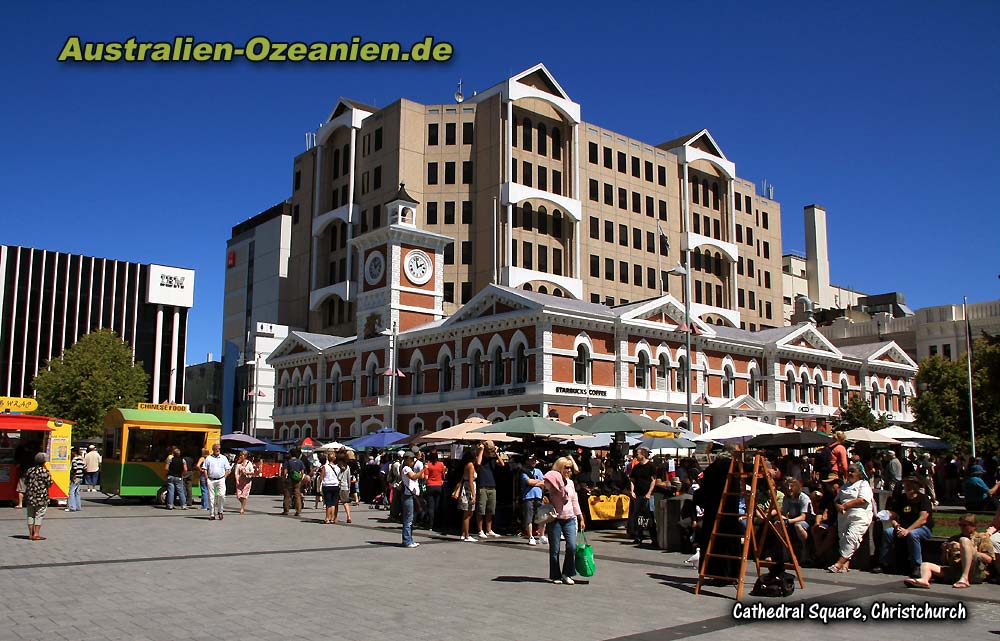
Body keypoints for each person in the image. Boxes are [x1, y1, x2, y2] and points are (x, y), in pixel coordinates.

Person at [905, 513, 995, 589]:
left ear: (973, 526)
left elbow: (989, 559)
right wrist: (945, 550)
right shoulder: (954, 538)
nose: (962, 528)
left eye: (965, 525)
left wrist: (966, 549)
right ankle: (924, 580)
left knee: (964, 540)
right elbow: (944, 561)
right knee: (925, 565)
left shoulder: (981, 538)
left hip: (974, 571)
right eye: (960, 525)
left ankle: (965, 578)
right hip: (955, 570)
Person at [874, 477, 934, 577]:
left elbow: (923, 518)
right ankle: (884, 563)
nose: (907, 487)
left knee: (913, 535)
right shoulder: (901, 499)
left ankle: (916, 566)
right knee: (888, 532)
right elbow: (894, 515)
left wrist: (908, 530)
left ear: (917, 486)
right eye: (906, 484)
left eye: (911, 484)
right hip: (903, 528)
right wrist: (896, 525)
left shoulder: (923, 499)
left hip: (922, 529)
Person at [543, 456, 585, 584]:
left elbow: (574, 501)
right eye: (566, 467)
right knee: (554, 549)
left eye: (570, 468)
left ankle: (567, 573)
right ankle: (555, 575)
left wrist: (580, 517)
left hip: (570, 518)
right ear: (560, 467)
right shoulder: (552, 481)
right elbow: (544, 483)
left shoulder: (571, 483)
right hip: (555, 518)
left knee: (571, 546)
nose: (569, 470)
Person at [827, 464, 874, 573]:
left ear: (859, 474)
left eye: (853, 471)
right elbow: (837, 500)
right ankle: (846, 563)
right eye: (849, 471)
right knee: (843, 539)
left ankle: (838, 563)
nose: (850, 474)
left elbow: (863, 499)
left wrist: (845, 506)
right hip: (844, 516)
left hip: (859, 515)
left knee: (852, 538)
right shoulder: (844, 486)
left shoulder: (864, 484)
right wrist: (838, 505)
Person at [628, 447, 656, 545]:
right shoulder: (636, 467)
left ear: (643, 455)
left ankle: (654, 538)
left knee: (650, 516)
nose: (636, 455)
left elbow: (653, 480)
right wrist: (632, 491)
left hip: (648, 495)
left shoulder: (651, 466)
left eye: (638, 454)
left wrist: (649, 493)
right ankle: (638, 536)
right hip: (638, 495)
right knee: (638, 516)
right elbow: (632, 480)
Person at [476, 441, 503, 538]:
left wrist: (496, 453)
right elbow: (478, 463)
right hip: (482, 486)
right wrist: (482, 450)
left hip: (492, 486)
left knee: (490, 510)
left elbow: (502, 464)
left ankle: (489, 529)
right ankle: (480, 530)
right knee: (481, 510)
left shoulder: (492, 459)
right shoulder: (480, 457)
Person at [779, 478, 812, 553]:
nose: (789, 488)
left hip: (805, 520)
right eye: (787, 486)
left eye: (792, 486)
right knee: (778, 524)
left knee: (798, 526)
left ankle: (805, 550)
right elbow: (783, 513)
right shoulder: (786, 498)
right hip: (791, 519)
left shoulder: (803, 497)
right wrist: (782, 519)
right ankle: (786, 551)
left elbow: (803, 516)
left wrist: (788, 521)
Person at [399, 453, 425, 548]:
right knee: (408, 519)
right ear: (408, 460)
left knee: (411, 518)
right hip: (408, 496)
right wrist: (423, 469)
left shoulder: (408, 468)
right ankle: (407, 540)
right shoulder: (406, 468)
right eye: (412, 460)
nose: (413, 462)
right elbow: (413, 477)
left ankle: (409, 539)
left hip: (411, 495)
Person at [24, 452, 52, 541]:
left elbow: (26, 481)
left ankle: (30, 534)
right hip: (41, 497)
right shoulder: (45, 472)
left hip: (30, 496)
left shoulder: (30, 470)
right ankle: (36, 534)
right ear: (43, 462)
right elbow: (50, 483)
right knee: (39, 515)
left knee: (30, 515)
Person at [202, 443, 232, 521]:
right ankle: (212, 514)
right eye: (216, 449)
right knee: (211, 497)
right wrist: (207, 478)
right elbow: (204, 468)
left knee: (221, 495)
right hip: (211, 479)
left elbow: (228, 469)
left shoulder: (223, 458)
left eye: (218, 448)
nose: (217, 450)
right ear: (213, 450)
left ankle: (220, 511)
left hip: (221, 479)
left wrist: (224, 477)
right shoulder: (208, 458)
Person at [521, 454, 546, 545]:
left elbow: (544, 482)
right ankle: (531, 536)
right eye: (531, 460)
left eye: (535, 460)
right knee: (529, 518)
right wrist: (538, 482)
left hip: (539, 497)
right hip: (528, 497)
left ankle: (542, 535)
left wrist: (535, 483)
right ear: (527, 461)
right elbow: (528, 482)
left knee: (542, 517)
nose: (533, 462)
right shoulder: (524, 471)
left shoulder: (538, 471)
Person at [457, 447, 478, 542]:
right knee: (468, 513)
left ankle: (463, 533)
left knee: (467, 513)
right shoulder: (471, 466)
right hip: (469, 490)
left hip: (466, 488)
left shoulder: (467, 465)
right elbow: (470, 481)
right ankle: (467, 535)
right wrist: (473, 495)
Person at [422, 450, 445, 530]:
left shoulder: (428, 465)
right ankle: (438, 524)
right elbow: (443, 475)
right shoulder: (441, 464)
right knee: (438, 506)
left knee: (431, 507)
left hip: (430, 486)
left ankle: (430, 525)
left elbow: (426, 478)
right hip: (439, 486)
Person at [318, 452, 341, 524]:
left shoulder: (325, 467)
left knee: (328, 503)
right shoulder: (337, 467)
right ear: (335, 459)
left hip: (327, 485)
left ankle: (327, 518)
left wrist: (321, 482)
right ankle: (332, 518)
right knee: (333, 503)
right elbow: (339, 477)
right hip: (335, 485)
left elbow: (321, 477)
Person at [282, 449, 306, 516]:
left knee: (287, 495)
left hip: (289, 480)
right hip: (297, 481)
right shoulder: (300, 462)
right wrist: (300, 478)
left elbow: (285, 472)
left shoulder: (288, 462)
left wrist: (284, 479)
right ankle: (298, 510)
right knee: (297, 496)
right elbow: (302, 472)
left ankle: (286, 510)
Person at [234, 450, 255, 515]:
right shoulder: (238, 464)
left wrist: (246, 472)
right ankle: (243, 503)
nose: (240, 456)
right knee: (238, 495)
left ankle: (242, 508)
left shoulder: (249, 463)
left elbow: (252, 472)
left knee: (244, 495)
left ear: (245, 456)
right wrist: (237, 480)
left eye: (241, 455)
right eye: (240, 455)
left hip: (247, 481)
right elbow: (236, 473)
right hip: (240, 481)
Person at [66, 448, 85, 512]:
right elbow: (85, 467)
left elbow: (74, 468)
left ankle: (72, 507)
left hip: (75, 477)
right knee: (77, 492)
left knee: (71, 492)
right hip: (80, 476)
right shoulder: (81, 459)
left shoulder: (74, 459)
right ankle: (78, 506)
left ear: (74, 452)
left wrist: (73, 476)